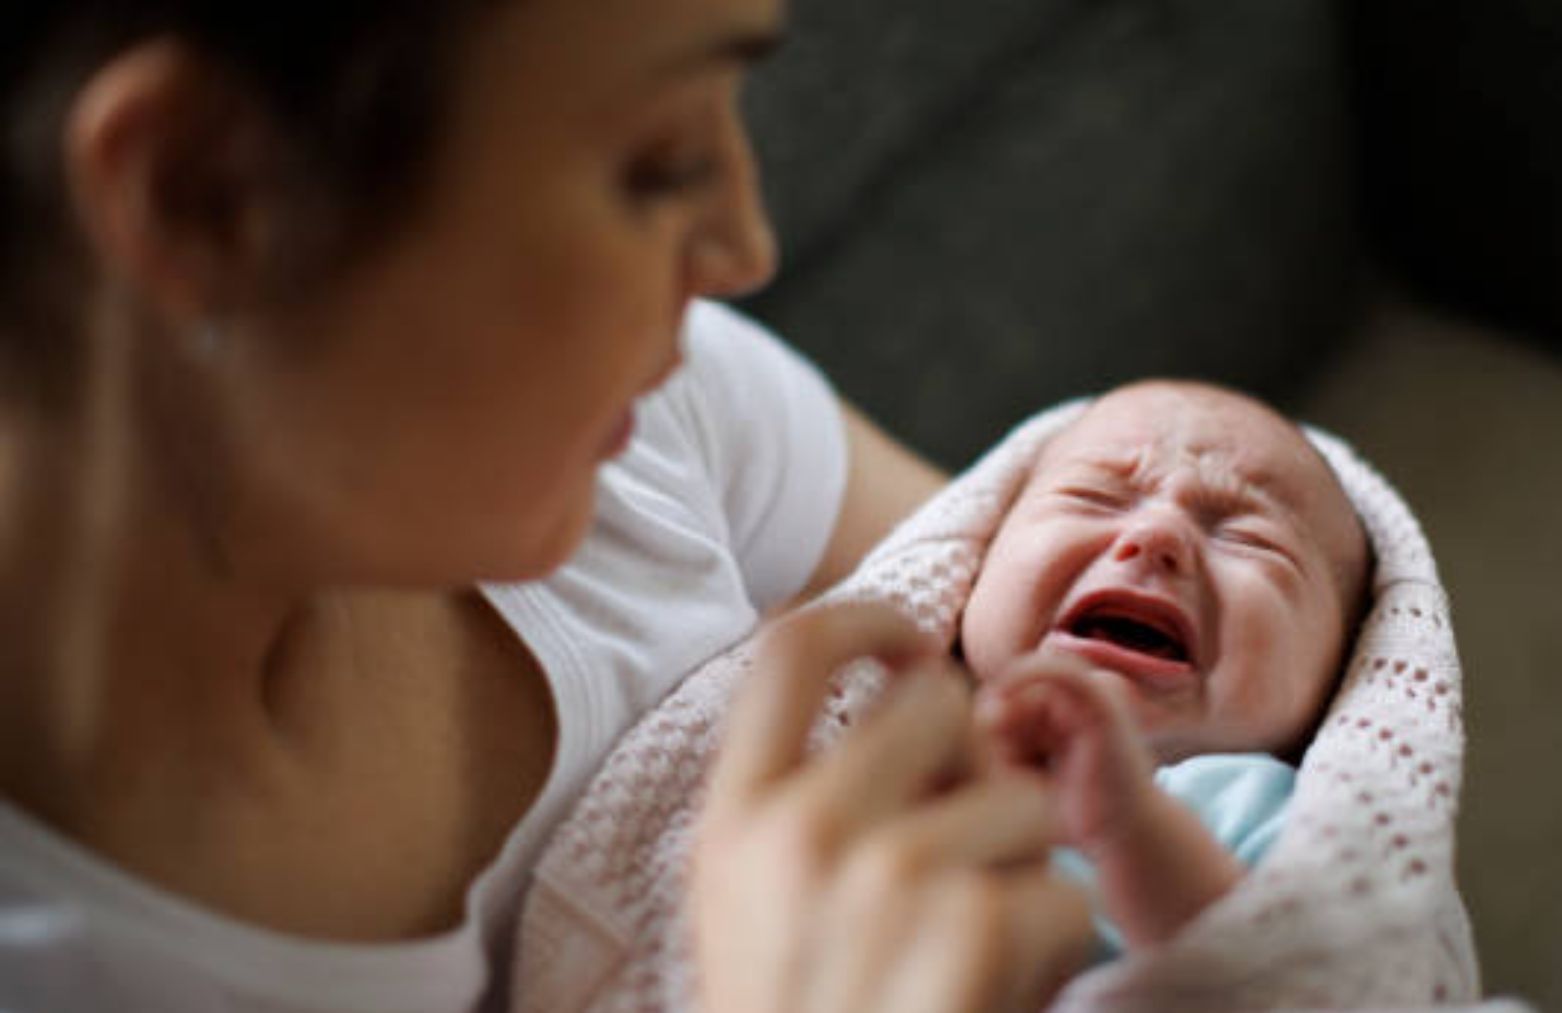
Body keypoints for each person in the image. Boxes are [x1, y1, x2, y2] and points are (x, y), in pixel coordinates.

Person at [0, 0, 1091, 1009]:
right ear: (203, 194)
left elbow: (1189, 651)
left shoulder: (634, 426)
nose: (746, 247)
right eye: (658, 164)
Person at [961, 381, 1371, 952]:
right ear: (975, 559)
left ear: (1343, 675)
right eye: (1093, 496)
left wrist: (1129, 820)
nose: (1157, 534)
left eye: (1252, 538)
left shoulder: (1274, 809)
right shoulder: (893, 719)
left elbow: (1295, 977)